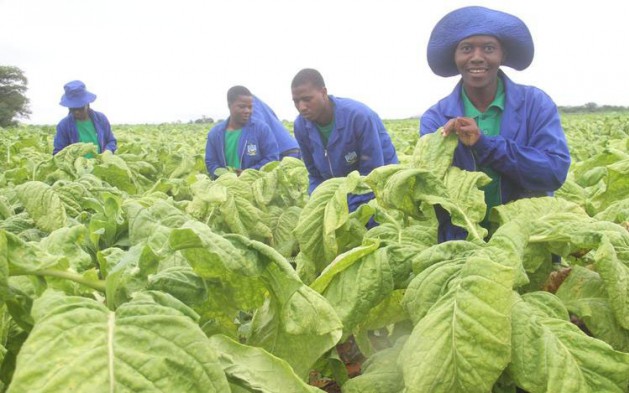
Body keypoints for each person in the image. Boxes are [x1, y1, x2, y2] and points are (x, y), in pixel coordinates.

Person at [420, 6, 571, 242]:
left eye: (488, 48)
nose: (477, 57)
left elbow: (553, 172)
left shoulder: (535, 104)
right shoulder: (436, 118)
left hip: (529, 240)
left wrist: (484, 144)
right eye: (466, 48)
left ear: (503, 55)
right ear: (455, 57)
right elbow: (432, 190)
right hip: (465, 243)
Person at [291, 68, 399, 213]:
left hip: (381, 185)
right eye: (296, 101)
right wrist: (319, 202)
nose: (301, 107)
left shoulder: (358, 116)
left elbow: (373, 176)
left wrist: (344, 205)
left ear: (323, 93)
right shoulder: (301, 126)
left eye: (307, 99)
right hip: (341, 189)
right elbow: (314, 174)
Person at [205, 85, 279, 178]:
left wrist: (247, 173)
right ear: (229, 106)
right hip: (224, 187)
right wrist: (225, 176)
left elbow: (272, 159)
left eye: (250, 107)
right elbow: (211, 162)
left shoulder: (261, 129)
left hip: (254, 185)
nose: (247, 111)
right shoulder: (215, 133)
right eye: (242, 107)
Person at [54, 80, 117, 156]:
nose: (76, 112)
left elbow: (111, 141)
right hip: (77, 167)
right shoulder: (64, 125)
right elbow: (58, 152)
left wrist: (108, 151)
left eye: (80, 107)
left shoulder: (101, 119)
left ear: (87, 103)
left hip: (101, 165)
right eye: (72, 108)